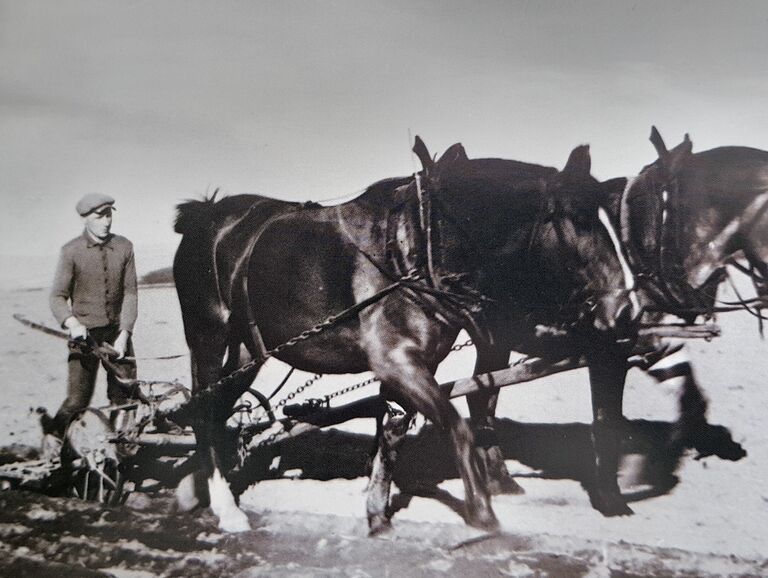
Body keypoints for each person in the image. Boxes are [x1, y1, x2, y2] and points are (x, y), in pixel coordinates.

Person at [46, 193, 138, 445]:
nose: (106, 221)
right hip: (84, 337)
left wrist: (125, 334)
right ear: (85, 218)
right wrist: (72, 323)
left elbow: (130, 293)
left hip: (117, 335)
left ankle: (119, 448)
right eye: (100, 216)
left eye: (109, 215)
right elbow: (57, 296)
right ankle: (54, 437)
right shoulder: (71, 251)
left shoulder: (124, 247)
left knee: (126, 396)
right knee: (77, 401)